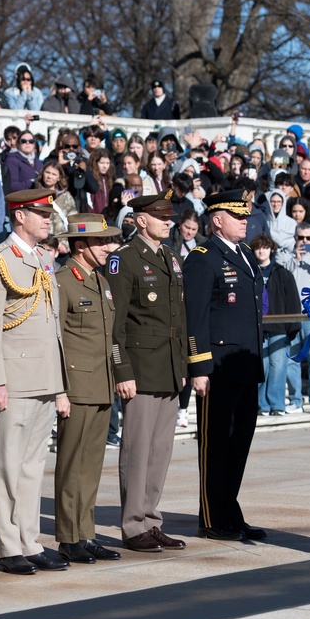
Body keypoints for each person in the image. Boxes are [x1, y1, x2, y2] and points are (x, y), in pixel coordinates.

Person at [0, 188, 69, 575]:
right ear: (19, 217)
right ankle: (9, 545)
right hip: (13, 378)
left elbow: (53, 329)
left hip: (43, 377)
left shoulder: (42, 259)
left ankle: (30, 540)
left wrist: (60, 386)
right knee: (7, 466)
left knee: (32, 467)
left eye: (49, 214)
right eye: (39, 213)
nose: (48, 219)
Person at [105, 193, 188, 553]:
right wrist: (122, 370)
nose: (168, 222)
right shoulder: (123, 260)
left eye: (169, 217)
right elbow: (115, 324)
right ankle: (133, 524)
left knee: (160, 450)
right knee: (137, 450)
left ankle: (152, 520)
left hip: (169, 366)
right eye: (160, 217)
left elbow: (179, 319)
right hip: (139, 369)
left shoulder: (170, 257)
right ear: (140, 220)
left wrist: (183, 364)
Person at [184, 189, 266, 542]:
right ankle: (212, 516)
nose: (244, 221)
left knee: (239, 445)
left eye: (245, 215)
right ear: (217, 220)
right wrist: (199, 367)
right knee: (216, 445)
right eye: (237, 216)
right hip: (217, 368)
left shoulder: (245, 254)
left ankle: (230, 511)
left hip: (245, 365)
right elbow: (195, 318)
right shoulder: (203, 258)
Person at [52, 213, 122, 564]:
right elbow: (57, 339)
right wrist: (59, 389)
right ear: (81, 246)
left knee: (92, 464)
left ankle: (86, 533)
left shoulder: (100, 281)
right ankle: (68, 537)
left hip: (101, 383)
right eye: (100, 242)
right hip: (77, 384)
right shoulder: (63, 281)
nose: (107, 247)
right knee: (71, 463)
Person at [250, 233, 300, 416]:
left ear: (271, 249)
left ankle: (277, 405)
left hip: (279, 329)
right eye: (257, 247)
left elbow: (293, 300)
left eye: (264, 246)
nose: (261, 250)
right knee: (260, 367)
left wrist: (292, 326)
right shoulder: (250, 272)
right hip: (258, 329)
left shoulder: (282, 272)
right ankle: (260, 404)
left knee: (278, 367)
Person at [281, 221, 310, 414]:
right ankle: (296, 400)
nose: (305, 242)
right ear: (295, 238)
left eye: (309, 238)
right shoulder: (285, 258)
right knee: (292, 360)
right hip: (292, 315)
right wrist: (296, 259)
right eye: (301, 238)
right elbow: (283, 281)